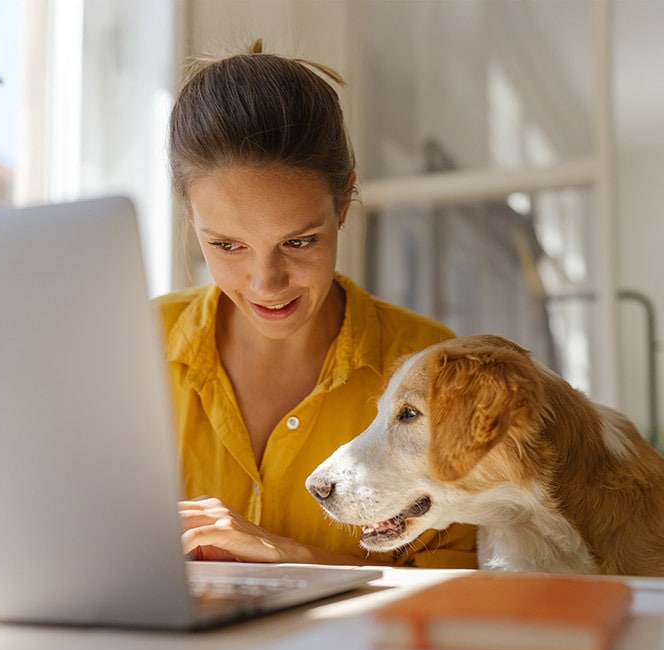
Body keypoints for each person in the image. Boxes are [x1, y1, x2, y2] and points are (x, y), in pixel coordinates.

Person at [156, 39, 477, 568]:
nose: (265, 282)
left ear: (344, 202)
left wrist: (292, 559)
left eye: (298, 241)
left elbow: (464, 593)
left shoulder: (431, 367)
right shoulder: (132, 343)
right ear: (191, 217)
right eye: (226, 245)